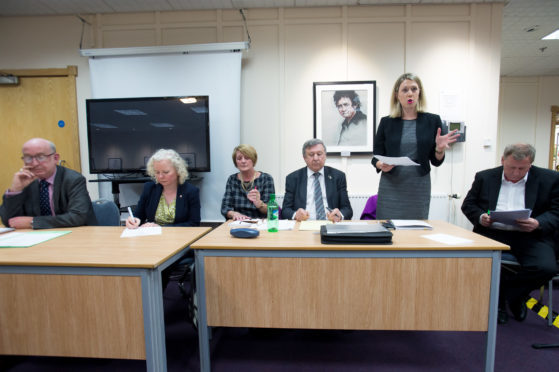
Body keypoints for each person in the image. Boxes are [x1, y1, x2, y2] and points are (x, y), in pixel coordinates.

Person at [462, 143, 559, 325]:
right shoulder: (485, 177)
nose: (515, 173)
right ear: (502, 161)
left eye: (522, 169)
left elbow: (556, 211)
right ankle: (509, 299)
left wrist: (538, 223)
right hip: (492, 233)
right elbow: (468, 205)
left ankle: (506, 296)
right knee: (473, 262)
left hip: (530, 235)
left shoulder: (550, 179)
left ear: (530, 164)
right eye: (511, 167)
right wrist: (481, 217)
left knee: (547, 268)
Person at [371, 73, 459, 219]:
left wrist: (439, 149)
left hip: (419, 186)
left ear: (419, 93)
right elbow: (376, 156)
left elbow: (436, 161)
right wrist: (381, 164)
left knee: (416, 230)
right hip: (391, 185)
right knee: (388, 229)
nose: (410, 93)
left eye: (414, 89)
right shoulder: (386, 122)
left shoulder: (433, 121)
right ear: (397, 95)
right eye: (405, 90)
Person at [0, 138, 96, 229]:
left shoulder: (73, 179)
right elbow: (8, 221)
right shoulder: (25, 181)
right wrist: (16, 190)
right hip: (35, 238)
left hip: (74, 235)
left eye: (40, 157)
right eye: (28, 158)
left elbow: (78, 217)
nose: (34, 163)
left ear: (55, 158)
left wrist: (33, 222)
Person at [126, 149, 200, 229]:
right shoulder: (149, 188)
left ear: (178, 171)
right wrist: (134, 220)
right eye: (157, 172)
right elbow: (138, 215)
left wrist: (162, 228)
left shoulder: (191, 191)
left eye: (166, 172)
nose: (160, 176)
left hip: (179, 238)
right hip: (152, 237)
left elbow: (194, 224)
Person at [281, 139, 352, 222]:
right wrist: (295, 215)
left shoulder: (338, 176)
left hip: (330, 223)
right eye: (311, 155)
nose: (315, 158)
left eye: (319, 154)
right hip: (303, 224)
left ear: (325, 155)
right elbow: (285, 210)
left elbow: (347, 210)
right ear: (304, 158)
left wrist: (340, 215)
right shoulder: (293, 178)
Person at [221, 144, 275, 221]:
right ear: (235, 162)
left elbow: (271, 210)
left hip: (259, 223)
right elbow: (225, 207)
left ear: (253, 160)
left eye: (247, 158)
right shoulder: (232, 179)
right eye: (239, 159)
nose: (243, 161)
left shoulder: (266, 179)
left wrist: (259, 203)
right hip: (238, 223)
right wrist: (235, 214)